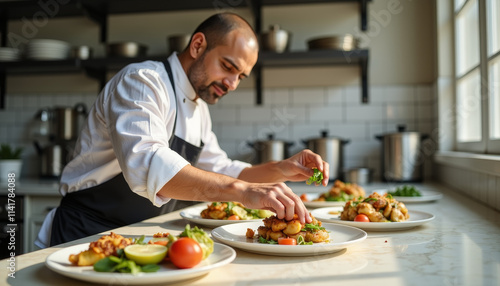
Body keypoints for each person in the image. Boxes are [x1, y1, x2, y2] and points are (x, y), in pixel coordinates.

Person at [35, 12, 329, 248]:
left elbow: (225, 170)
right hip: (85, 236)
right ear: (198, 45)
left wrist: (281, 168)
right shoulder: (142, 82)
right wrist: (244, 192)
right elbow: (147, 164)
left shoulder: (199, 109)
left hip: (141, 238)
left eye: (241, 76)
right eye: (228, 66)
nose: (232, 83)